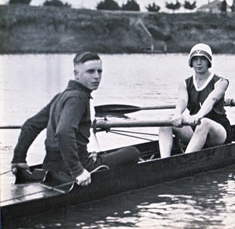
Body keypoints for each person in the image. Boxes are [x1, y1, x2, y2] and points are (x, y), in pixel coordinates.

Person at [10, 52, 140, 186]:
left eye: (99, 71)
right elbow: (63, 132)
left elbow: (31, 125)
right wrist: (78, 171)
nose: (96, 76)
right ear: (76, 74)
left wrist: (19, 158)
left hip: (50, 166)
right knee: (133, 152)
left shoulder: (61, 97)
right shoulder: (78, 98)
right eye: (90, 71)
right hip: (77, 167)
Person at [158, 43, 231, 158]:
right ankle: (164, 160)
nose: (199, 63)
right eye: (195, 59)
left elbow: (211, 100)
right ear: (191, 62)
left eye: (202, 59)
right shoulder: (185, 83)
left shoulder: (221, 82)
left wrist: (198, 116)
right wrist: (177, 115)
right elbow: (182, 100)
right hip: (195, 128)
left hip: (218, 132)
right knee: (166, 120)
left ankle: (186, 161)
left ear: (209, 61)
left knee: (204, 122)